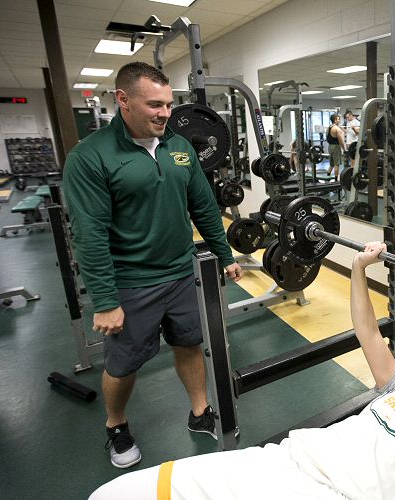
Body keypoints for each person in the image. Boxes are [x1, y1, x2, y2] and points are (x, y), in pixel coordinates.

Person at [89, 242, 395, 500]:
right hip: (288, 462)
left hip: (341, 496)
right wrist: (356, 268)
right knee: (117, 495)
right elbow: (369, 333)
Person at [64, 62, 243, 469]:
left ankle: (200, 413)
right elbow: (89, 234)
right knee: (124, 364)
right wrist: (106, 300)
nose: (165, 113)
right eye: (154, 105)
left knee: (189, 344)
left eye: (168, 104)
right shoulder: (91, 158)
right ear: (122, 100)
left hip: (182, 273)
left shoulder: (179, 147)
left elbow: (203, 206)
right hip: (130, 280)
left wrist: (225, 255)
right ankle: (116, 424)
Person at [326, 113, 345, 180]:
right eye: (338, 119)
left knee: (331, 164)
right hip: (336, 147)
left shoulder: (329, 127)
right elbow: (341, 141)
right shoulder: (336, 129)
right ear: (335, 120)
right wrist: (344, 149)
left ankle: (327, 177)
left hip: (330, 147)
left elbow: (327, 138)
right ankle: (336, 180)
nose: (339, 120)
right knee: (337, 164)